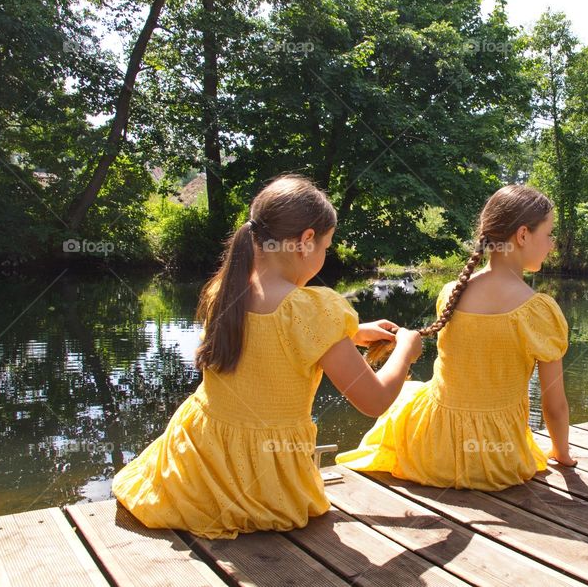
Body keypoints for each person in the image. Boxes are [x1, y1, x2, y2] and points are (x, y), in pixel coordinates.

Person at [111, 174, 422, 539]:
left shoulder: (225, 289)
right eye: (327, 246)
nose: (325, 255)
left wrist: (354, 332)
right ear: (307, 241)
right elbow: (375, 400)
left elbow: (273, 331)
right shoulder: (316, 309)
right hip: (265, 487)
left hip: (196, 470)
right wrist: (405, 350)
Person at [336, 184, 576, 490]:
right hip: (498, 461)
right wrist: (561, 453)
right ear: (523, 235)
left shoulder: (452, 293)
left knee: (412, 394)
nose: (552, 244)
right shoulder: (539, 312)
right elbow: (554, 404)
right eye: (548, 234)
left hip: (433, 451)